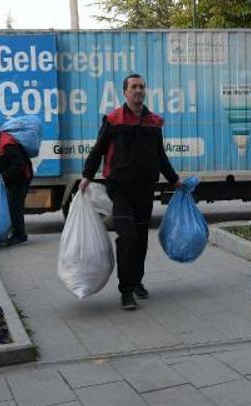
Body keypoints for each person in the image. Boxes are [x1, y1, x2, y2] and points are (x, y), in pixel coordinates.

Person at [79, 73, 183, 311]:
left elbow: (160, 156)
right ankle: (126, 291)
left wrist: (175, 180)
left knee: (141, 239)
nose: (138, 90)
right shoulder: (114, 120)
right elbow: (98, 150)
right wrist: (87, 175)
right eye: (133, 87)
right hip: (120, 188)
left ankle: (137, 281)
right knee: (127, 237)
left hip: (145, 189)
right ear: (124, 92)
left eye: (142, 87)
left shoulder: (153, 123)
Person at [0, 120, 33, 246]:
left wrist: (6, 176)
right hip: (14, 179)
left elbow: (19, 163)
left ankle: (20, 236)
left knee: (15, 207)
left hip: (20, 179)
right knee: (12, 207)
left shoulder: (6, 143)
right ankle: (16, 234)